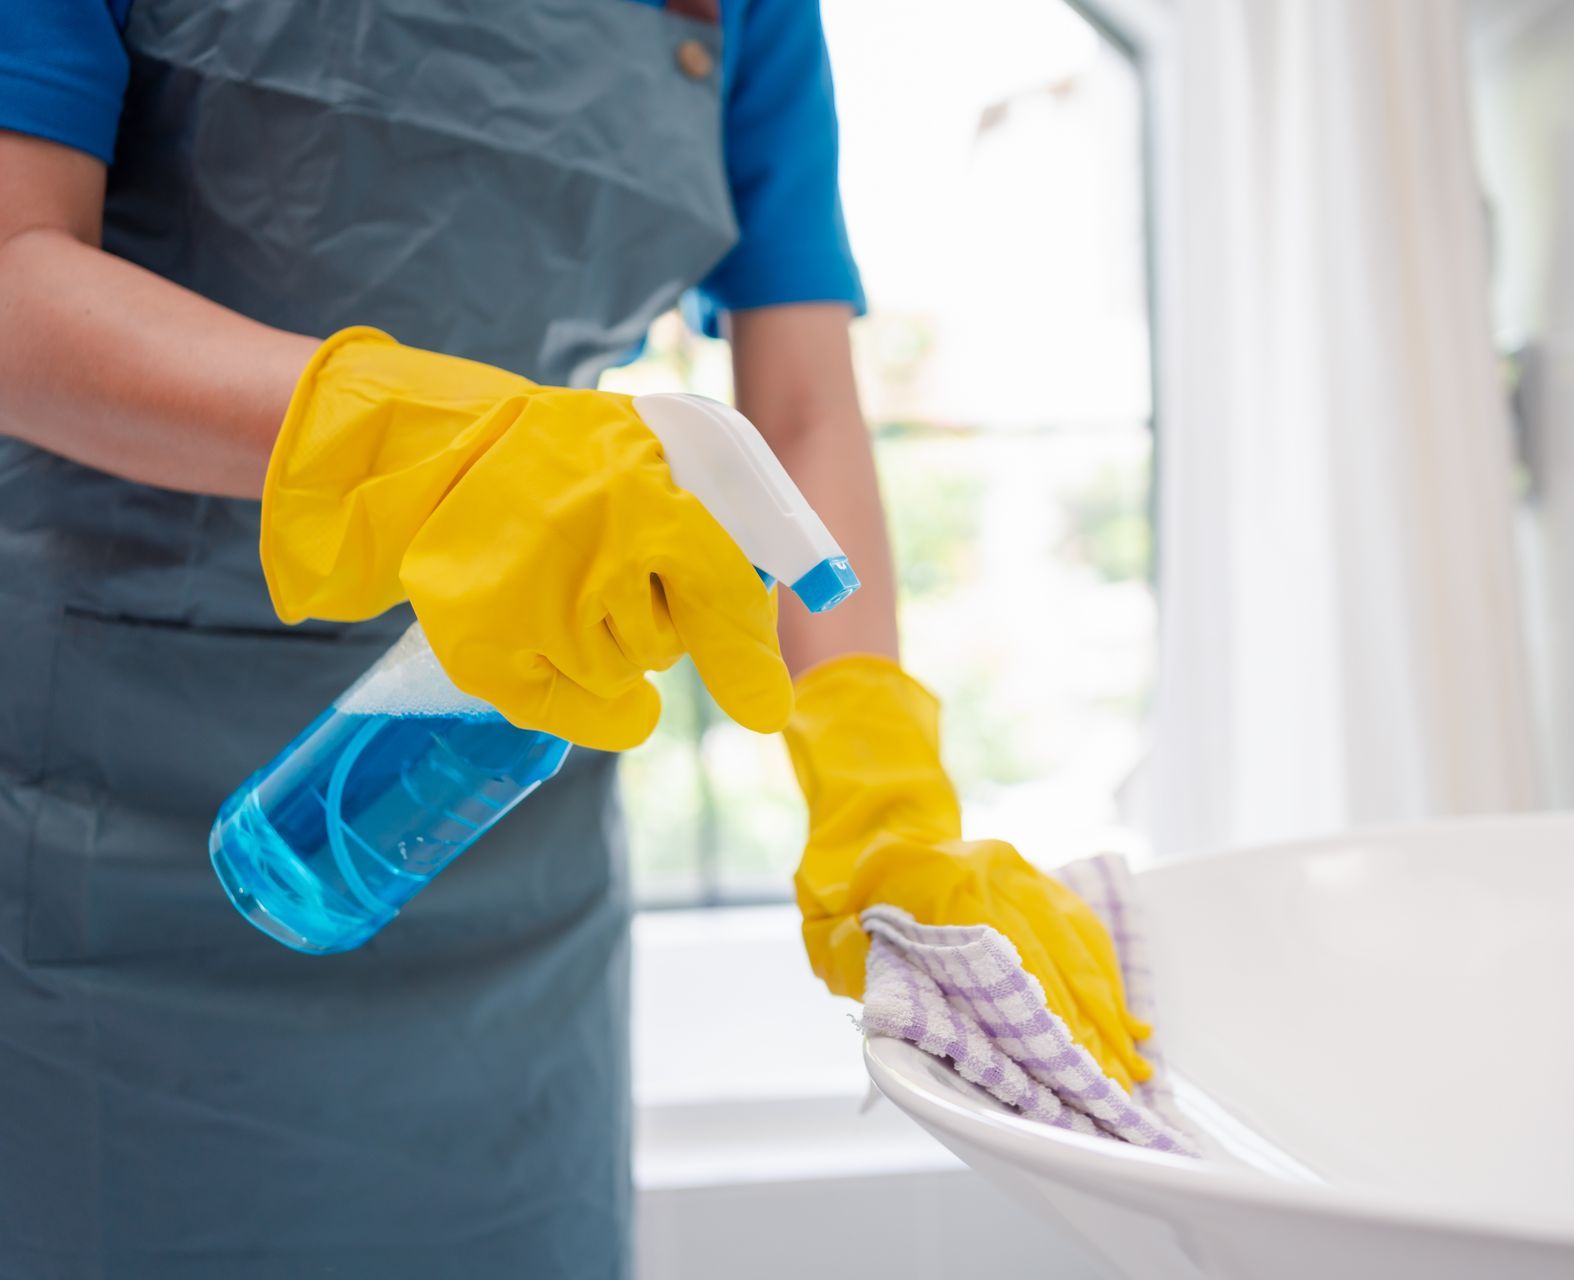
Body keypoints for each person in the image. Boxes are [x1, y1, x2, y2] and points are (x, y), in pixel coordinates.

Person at [0, 1, 1150, 1275]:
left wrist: (878, 769)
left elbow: (805, 403)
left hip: (507, 821)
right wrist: (422, 443)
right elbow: (14, 271)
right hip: (114, 819)